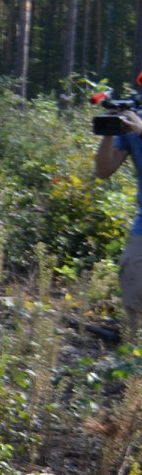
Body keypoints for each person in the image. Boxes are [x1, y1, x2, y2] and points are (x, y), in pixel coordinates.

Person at [94, 108, 142, 339]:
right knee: (133, 285)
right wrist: (109, 131)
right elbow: (103, 170)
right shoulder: (134, 125)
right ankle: (135, 360)